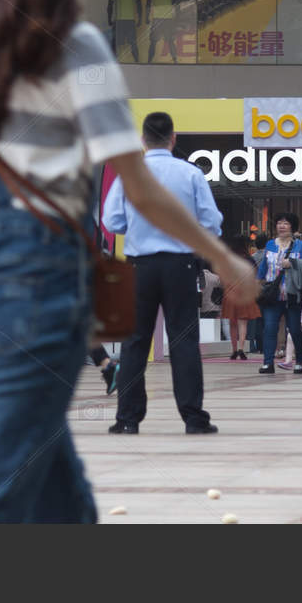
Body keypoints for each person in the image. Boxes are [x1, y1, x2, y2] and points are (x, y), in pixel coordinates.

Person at [0, 0, 253, 521]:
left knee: (59, 489)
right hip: (36, 283)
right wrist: (222, 256)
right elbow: (137, 186)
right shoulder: (75, 45)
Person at [103, 111, 225, 433]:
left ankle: (127, 420)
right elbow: (212, 222)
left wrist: (139, 226)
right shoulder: (191, 173)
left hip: (139, 267)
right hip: (180, 266)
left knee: (134, 343)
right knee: (184, 341)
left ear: (142, 139)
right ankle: (193, 419)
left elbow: (112, 222)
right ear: (173, 138)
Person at [254, 214, 302, 376]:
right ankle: (267, 363)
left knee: (294, 329)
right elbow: (263, 268)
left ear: (292, 226)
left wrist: (293, 263)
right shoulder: (270, 244)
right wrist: (257, 286)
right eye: (279, 223)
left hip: (292, 295)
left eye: (285, 223)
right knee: (270, 328)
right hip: (273, 295)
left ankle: (300, 361)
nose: (282, 226)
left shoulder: (300, 246)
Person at [219, 231, 259, 360]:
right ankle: (242, 348)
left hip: (231, 291)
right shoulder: (249, 259)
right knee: (243, 322)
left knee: (232, 322)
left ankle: (234, 349)